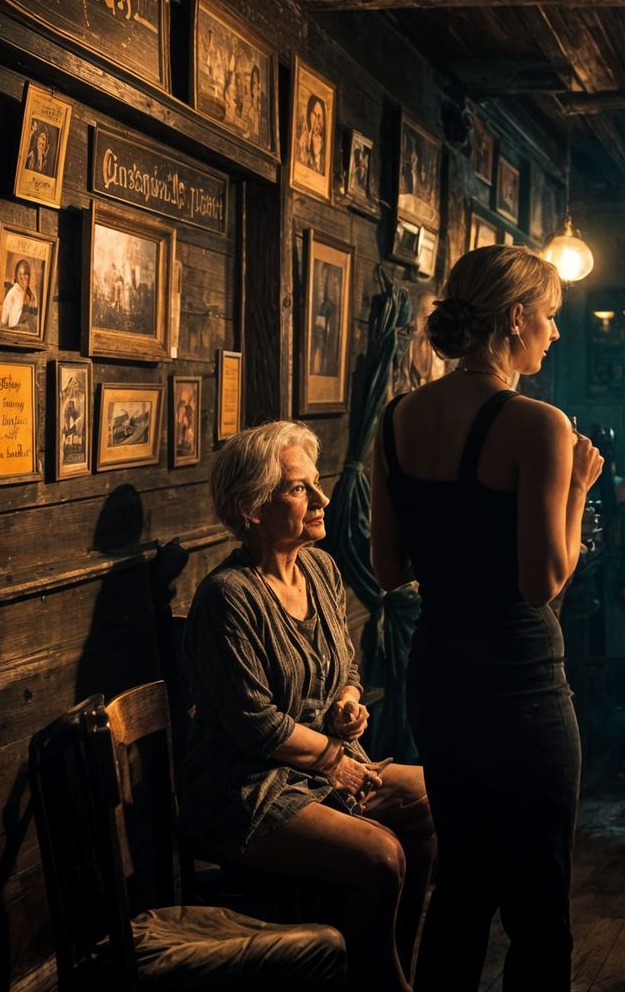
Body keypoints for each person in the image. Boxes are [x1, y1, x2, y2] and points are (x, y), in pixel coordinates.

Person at [372, 245, 602, 991]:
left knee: (462, 885)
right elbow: (543, 583)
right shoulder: (539, 424)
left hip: (437, 676)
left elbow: (387, 569)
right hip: (519, 683)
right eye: (550, 316)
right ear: (513, 318)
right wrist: (579, 491)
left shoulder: (397, 418)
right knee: (539, 902)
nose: (555, 333)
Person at [180, 422, 434, 992]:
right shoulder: (229, 597)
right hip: (245, 787)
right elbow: (258, 728)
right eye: (298, 490)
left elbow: (344, 664)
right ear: (252, 507)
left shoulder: (321, 569)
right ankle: (381, 983)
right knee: (381, 854)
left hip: (318, 766)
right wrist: (336, 762)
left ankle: (388, 961)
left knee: (432, 804)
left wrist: (348, 703)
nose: (322, 499)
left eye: (315, 485)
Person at [0, 258, 37, 333]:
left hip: (26, 328)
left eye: (25, 274)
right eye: (20, 275)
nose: (23, 278)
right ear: (16, 276)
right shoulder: (13, 292)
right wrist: (2, 323)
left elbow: (34, 313)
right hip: (15, 328)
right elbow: (5, 310)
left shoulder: (30, 293)